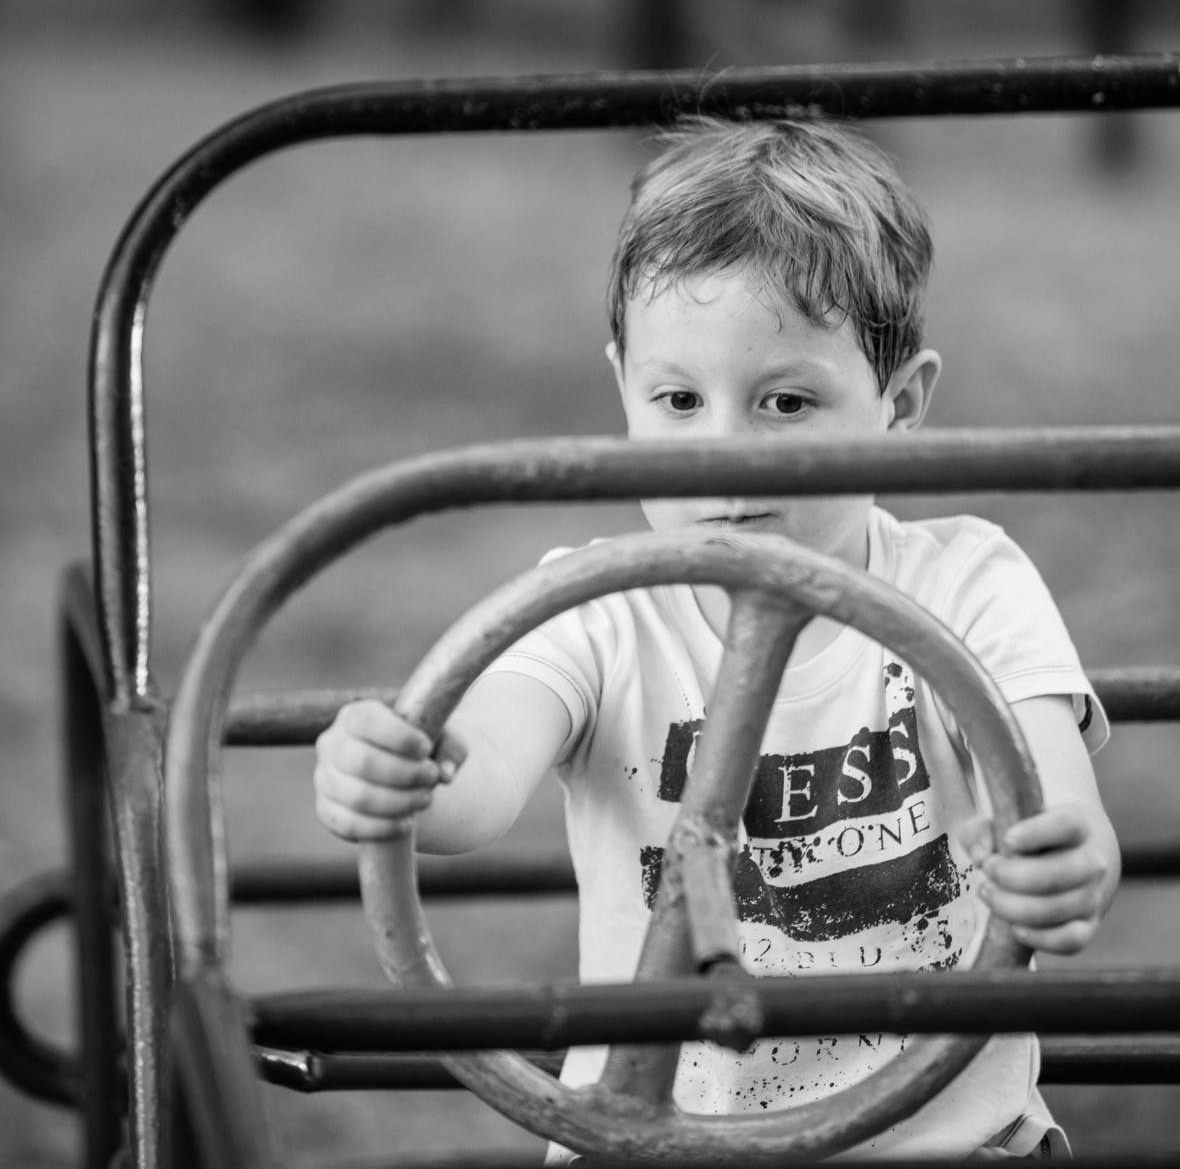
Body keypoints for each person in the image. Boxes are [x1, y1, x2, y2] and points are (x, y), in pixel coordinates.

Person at [313, 116, 1119, 1159]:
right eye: (679, 400)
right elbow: (474, 785)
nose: (725, 456)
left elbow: (1059, 802)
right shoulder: (594, 609)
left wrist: (1060, 861)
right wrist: (401, 774)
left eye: (785, 401)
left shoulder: (965, 583)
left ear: (901, 402)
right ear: (624, 389)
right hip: (654, 1144)